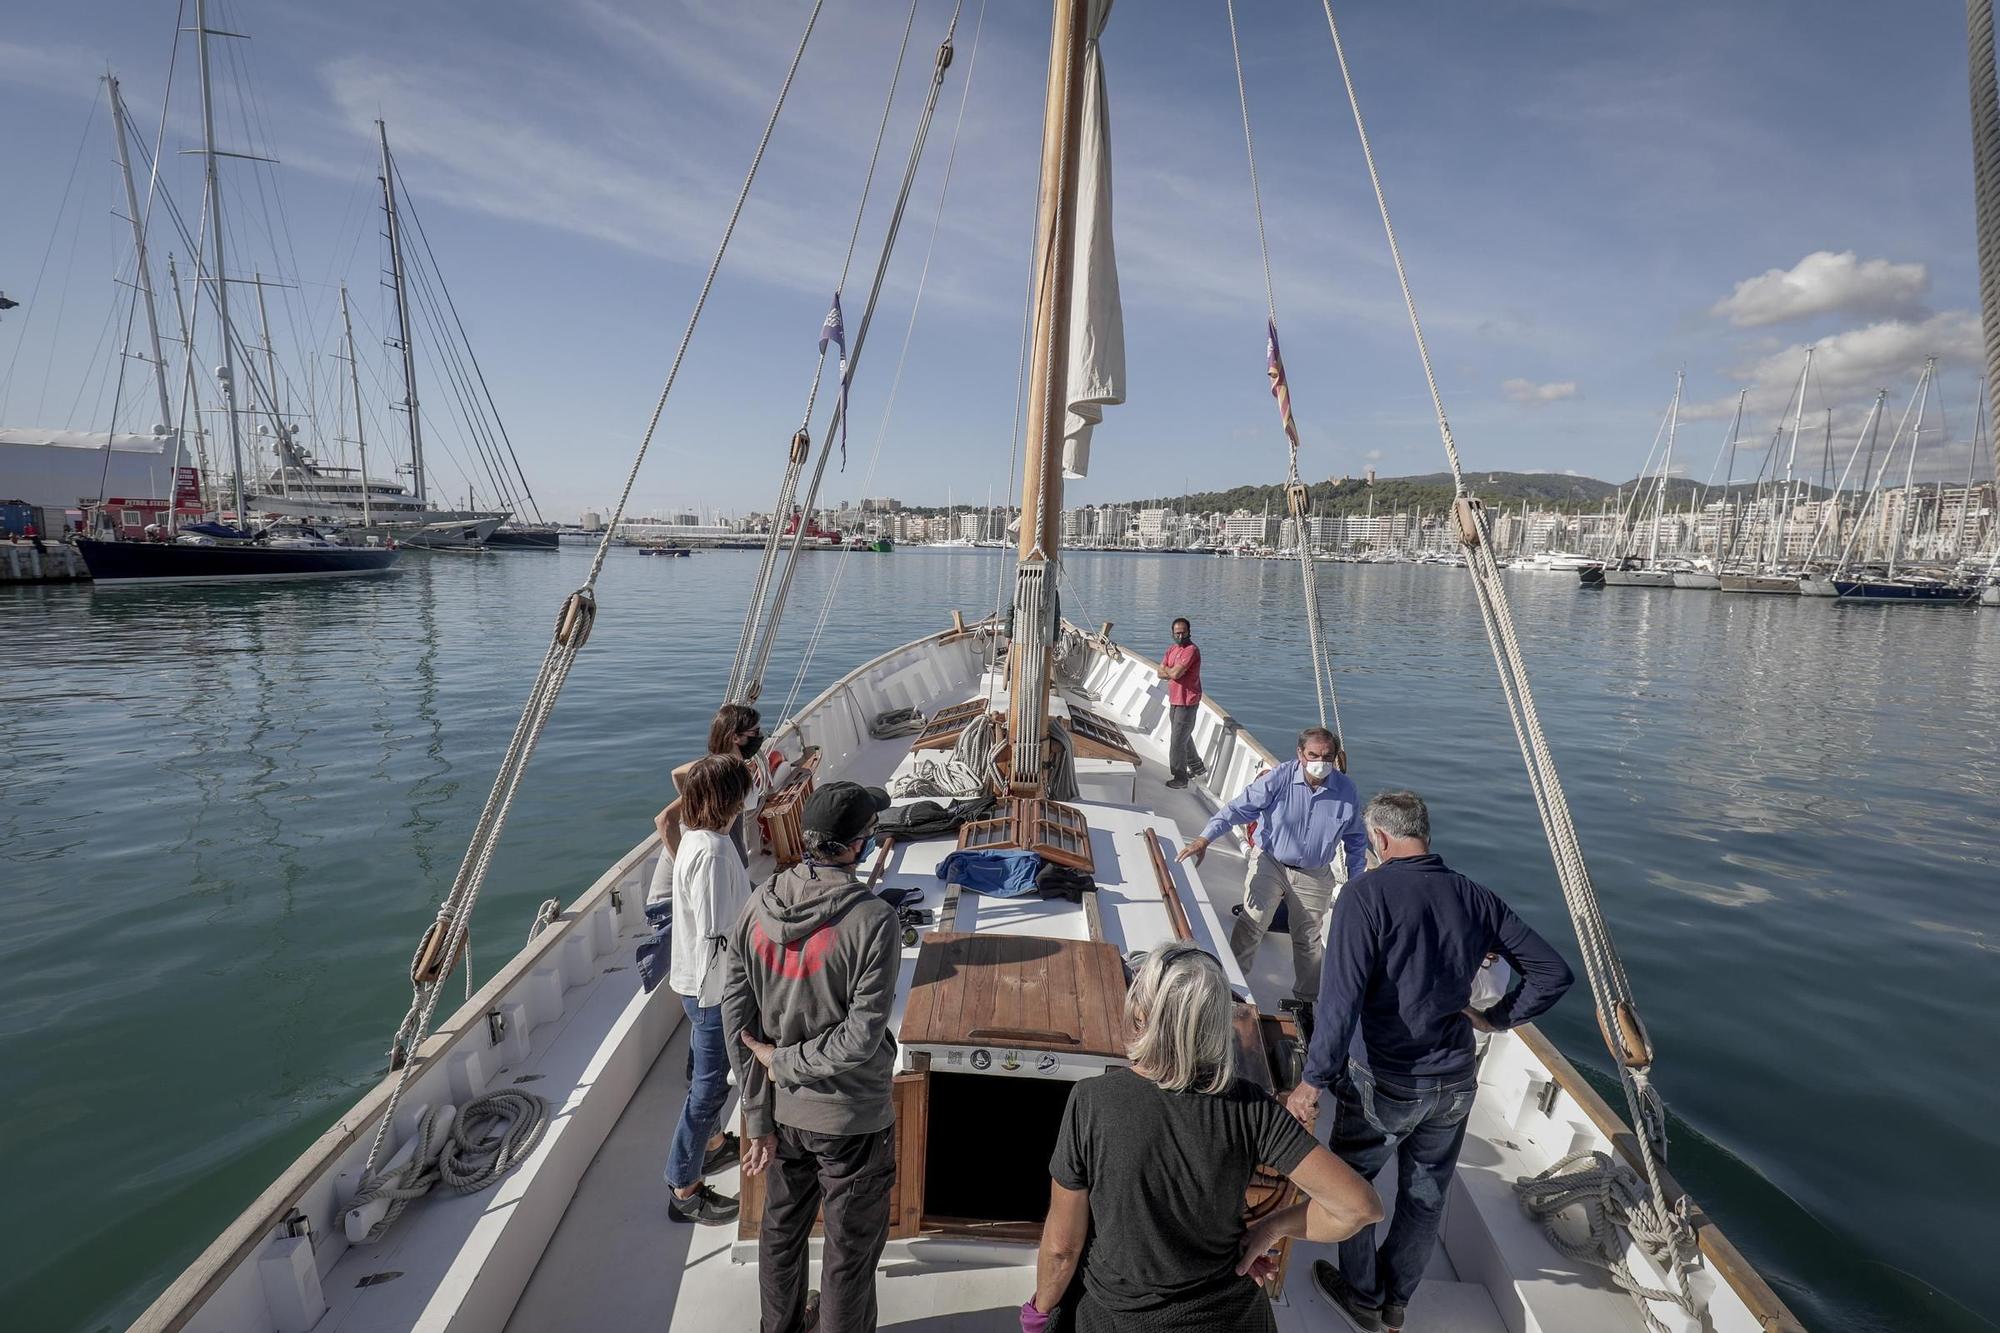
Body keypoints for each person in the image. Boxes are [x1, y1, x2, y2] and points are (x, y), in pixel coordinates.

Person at [1288, 791, 1574, 1333]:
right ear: (1424, 832)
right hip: (1455, 1082)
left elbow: (1340, 1002)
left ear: (1378, 838)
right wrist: (1498, 1019)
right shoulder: (1474, 896)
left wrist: (1313, 1082)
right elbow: (1552, 973)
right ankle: (1397, 1303)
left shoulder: (1364, 895)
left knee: (1356, 1187)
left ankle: (1362, 1295)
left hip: (1384, 1080)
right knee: (1425, 1196)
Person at [1024, 943, 1383, 1333]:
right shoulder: (1252, 1106)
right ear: (1216, 1026)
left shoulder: (1091, 1101)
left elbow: (1062, 1250)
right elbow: (1359, 1207)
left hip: (1120, 1318)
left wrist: (1038, 1313)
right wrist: (1269, 1229)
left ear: (1141, 1017)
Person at [723, 780, 899, 1333]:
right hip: (850, 1122)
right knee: (848, 1253)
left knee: (780, 1231)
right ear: (856, 845)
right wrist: (784, 1064)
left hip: (782, 1116)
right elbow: (861, 1039)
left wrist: (757, 1112)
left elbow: (736, 1015)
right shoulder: (874, 921)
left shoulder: (756, 905)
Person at [1177, 726, 1366, 1028]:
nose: (1320, 761)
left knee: (1309, 941)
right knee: (1252, 923)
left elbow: (1356, 841)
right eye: (1313, 755)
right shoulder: (1278, 779)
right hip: (1271, 862)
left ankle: (1306, 1001)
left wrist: (1357, 882)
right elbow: (1238, 809)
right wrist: (1204, 839)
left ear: (1335, 758)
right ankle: (1230, 987)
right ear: (1300, 754)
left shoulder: (1347, 790)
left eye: (1327, 756)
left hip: (1315, 874)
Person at [664, 755, 757, 1225]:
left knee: (706, 1081)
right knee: (707, 1090)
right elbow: (720, 935)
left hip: (694, 984)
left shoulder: (695, 841)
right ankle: (683, 1186)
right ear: (730, 800)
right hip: (714, 993)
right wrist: (728, 1000)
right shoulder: (717, 853)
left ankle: (716, 1147)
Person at [649, 703, 765, 906]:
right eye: (755, 732)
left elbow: (676, 773)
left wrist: (691, 792)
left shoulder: (714, 774)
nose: (760, 736)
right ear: (735, 737)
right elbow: (664, 819)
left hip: (721, 868)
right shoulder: (719, 779)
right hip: (676, 898)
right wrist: (687, 872)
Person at [1158, 617, 1203, 789]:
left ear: (1189, 632)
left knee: (1177, 740)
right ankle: (1197, 766)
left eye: (1183, 632)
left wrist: (1169, 671)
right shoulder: (1171, 650)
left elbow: (1175, 674)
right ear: (1172, 633)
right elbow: (1159, 672)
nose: (1180, 635)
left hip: (1187, 701)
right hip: (1175, 700)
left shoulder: (1191, 650)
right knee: (1184, 734)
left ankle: (1180, 777)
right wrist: (1171, 671)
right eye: (1177, 633)